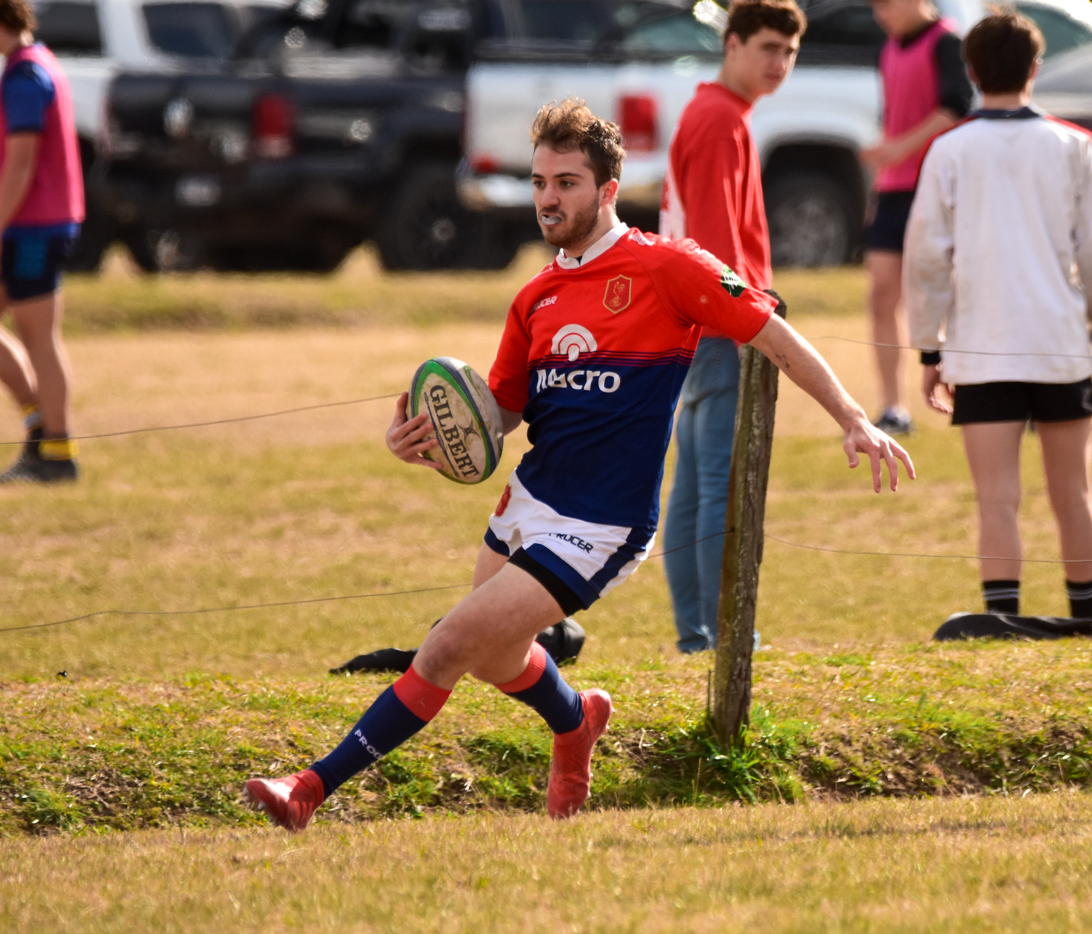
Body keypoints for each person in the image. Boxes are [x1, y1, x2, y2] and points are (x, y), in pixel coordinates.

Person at [242, 99, 913, 831]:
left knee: (446, 646)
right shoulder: (535, 297)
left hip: (603, 521)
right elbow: (499, 412)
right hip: (529, 497)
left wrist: (854, 419)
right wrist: (430, 437)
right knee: (498, 657)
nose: (548, 199)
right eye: (538, 183)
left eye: (566, 182)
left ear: (606, 190)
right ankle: (575, 720)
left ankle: (309, 786)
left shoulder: (669, 267)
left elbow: (773, 334)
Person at [905, 11, 1092, 621]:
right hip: (1060, 346)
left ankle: (1002, 623)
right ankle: (1085, 619)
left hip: (981, 351)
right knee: (1073, 494)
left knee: (997, 501)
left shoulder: (948, 149)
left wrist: (931, 349)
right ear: (1036, 68)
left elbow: (925, 256)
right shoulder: (1075, 146)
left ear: (971, 71)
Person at [657, 0, 803, 653]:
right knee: (717, 483)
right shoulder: (719, 119)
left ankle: (698, 632)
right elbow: (714, 245)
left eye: (791, 51)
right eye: (769, 48)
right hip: (717, 327)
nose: (781, 62)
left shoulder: (718, 112)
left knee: (694, 483)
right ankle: (715, 633)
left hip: (697, 326)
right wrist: (752, 321)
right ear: (733, 44)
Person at [859, 0, 971, 437]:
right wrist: (887, 158)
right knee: (883, 295)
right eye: (876, 6)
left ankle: (973, 391)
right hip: (893, 191)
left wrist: (901, 147)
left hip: (938, 189)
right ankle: (893, 407)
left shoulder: (947, 43)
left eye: (889, 4)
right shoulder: (889, 49)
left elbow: (955, 108)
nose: (882, 15)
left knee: (954, 294)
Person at [0, 0, 82, 484]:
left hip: (33, 226)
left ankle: (57, 450)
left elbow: (22, 163)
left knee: (39, 337)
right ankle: (41, 430)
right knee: (35, 335)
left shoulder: (25, 76)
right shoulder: (33, 64)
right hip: (33, 223)